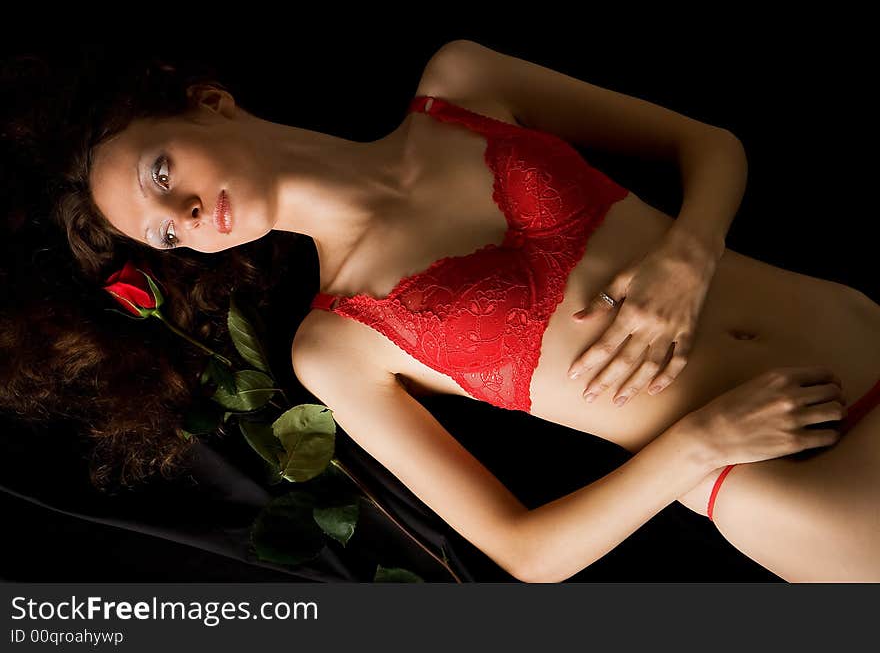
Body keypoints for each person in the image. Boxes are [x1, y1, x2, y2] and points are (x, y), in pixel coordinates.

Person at [5, 41, 879, 582]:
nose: (187, 216)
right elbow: (529, 553)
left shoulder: (461, 83)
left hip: (855, 327)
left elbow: (710, 145)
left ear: (207, 100)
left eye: (164, 173)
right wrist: (701, 444)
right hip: (792, 474)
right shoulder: (337, 346)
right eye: (165, 231)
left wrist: (688, 257)